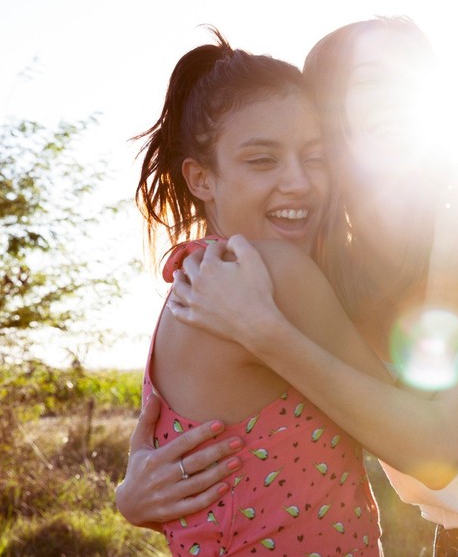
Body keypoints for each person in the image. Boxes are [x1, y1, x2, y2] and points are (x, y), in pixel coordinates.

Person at [119, 18, 458, 556]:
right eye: (372, 83)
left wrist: (268, 334)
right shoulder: (328, 276)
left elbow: (437, 447)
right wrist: (135, 493)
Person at [122, 28, 383, 556]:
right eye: (263, 160)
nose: (299, 183)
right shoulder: (275, 271)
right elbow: (408, 419)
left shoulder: (196, 277)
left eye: (315, 157)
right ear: (201, 178)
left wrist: (129, 498)